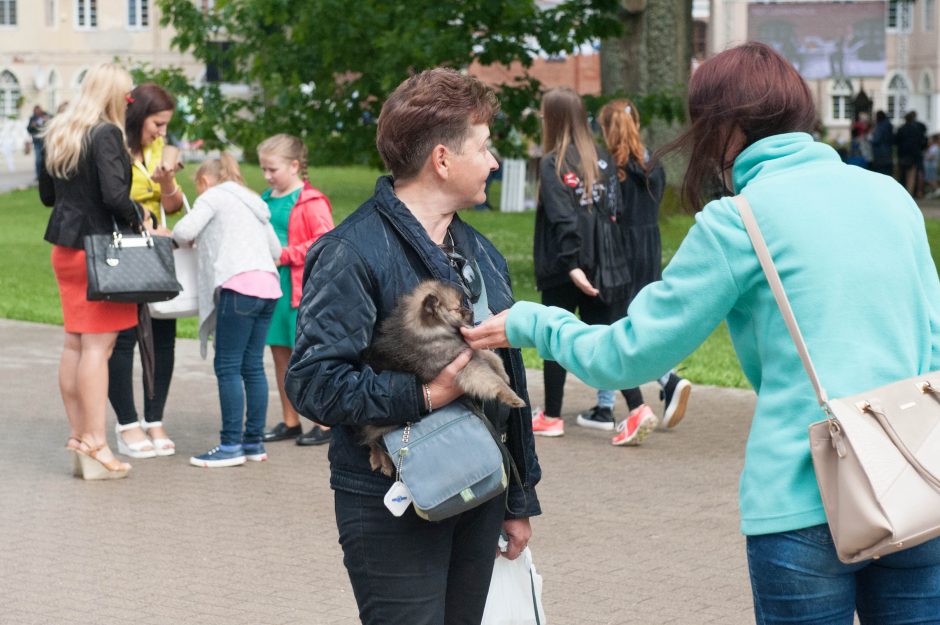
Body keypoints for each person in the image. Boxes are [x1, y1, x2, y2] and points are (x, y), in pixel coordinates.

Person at [464, 42, 940, 622]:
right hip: (917, 481)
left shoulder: (739, 221)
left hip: (801, 502)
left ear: (724, 126)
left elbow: (627, 355)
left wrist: (530, 321)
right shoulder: (892, 198)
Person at [284, 68, 541, 624]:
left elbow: (509, 378)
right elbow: (313, 382)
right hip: (390, 504)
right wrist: (426, 395)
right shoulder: (350, 251)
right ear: (442, 159)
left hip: (480, 490)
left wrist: (519, 500)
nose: (495, 163)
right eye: (485, 147)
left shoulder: (481, 253)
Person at [530, 87, 653, 443]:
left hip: (565, 267)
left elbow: (563, 218)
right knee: (608, 337)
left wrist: (571, 265)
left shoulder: (553, 163)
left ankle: (552, 416)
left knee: (553, 336)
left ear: (551, 118)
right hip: (603, 262)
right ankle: (638, 407)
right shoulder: (600, 158)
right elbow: (612, 211)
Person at [39, 63, 140, 480]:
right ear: (114, 95)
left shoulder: (61, 130)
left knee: (75, 346)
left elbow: (48, 196)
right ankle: (97, 442)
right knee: (98, 348)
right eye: (128, 95)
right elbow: (116, 196)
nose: (129, 102)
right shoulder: (106, 133)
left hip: (64, 248)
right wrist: (141, 217)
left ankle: (80, 436)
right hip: (99, 252)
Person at [172, 154, 282, 467]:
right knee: (252, 367)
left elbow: (182, 231)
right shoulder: (252, 202)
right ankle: (253, 442)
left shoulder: (214, 197)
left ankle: (230, 444)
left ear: (205, 181)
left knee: (228, 366)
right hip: (269, 288)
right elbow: (275, 250)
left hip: (238, 288)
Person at [596, 98, 693, 437]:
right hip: (649, 246)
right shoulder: (654, 165)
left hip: (620, 248)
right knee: (632, 319)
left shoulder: (611, 169)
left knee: (615, 322)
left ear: (607, 129)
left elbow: (609, 211)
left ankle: (666, 378)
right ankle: (605, 403)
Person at [107, 83, 184, 459]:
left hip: (156, 253)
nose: (162, 132)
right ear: (138, 116)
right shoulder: (113, 145)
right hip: (123, 250)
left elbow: (176, 206)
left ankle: (155, 419)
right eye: (158, 123)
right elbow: (109, 197)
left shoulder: (161, 149)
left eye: (166, 125)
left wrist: (167, 181)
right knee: (122, 340)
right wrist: (143, 219)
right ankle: (127, 422)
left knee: (161, 336)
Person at [256, 134, 335, 447]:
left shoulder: (311, 200)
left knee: (307, 357)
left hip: (300, 289)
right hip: (272, 286)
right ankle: (290, 421)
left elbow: (325, 241)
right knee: (280, 356)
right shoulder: (265, 197)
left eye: (272, 169)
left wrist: (285, 255)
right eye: (263, 169)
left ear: (294, 165)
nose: (266, 176)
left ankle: (323, 422)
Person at [895, 110, 928, 198]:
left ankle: (900, 193)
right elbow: (923, 141)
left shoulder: (901, 129)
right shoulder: (917, 129)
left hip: (902, 154)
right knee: (911, 176)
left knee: (901, 174)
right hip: (914, 154)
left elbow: (896, 141)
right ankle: (910, 194)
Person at [27, 105, 50, 180]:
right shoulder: (32, 118)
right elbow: (29, 129)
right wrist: (32, 125)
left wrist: (47, 121)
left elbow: (52, 125)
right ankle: (38, 175)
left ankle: (47, 176)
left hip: (46, 141)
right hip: (37, 141)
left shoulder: (47, 116)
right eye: (36, 111)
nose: (37, 112)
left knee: (47, 159)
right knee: (38, 159)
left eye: (38, 110)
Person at [869, 110, 894, 177]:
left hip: (880, 154)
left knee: (880, 173)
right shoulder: (888, 125)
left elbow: (876, 140)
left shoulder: (880, 126)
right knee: (887, 173)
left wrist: (870, 138)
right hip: (888, 152)